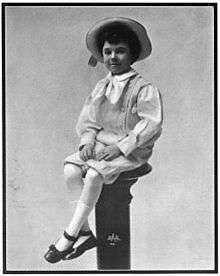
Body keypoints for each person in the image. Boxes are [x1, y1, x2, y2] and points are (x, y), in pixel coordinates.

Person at [44, 17, 163, 264]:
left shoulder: (143, 88)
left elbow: (151, 124)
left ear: (132, 55)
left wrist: (120, 146)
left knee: (95, 175)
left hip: (131, 150)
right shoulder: (101, 86)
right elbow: (89, 120)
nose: (113, 57)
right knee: (70, 169)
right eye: (108, 52)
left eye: (120, 51)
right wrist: (87, 142)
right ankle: (86, 234)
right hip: (100, 147)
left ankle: (69, 235)